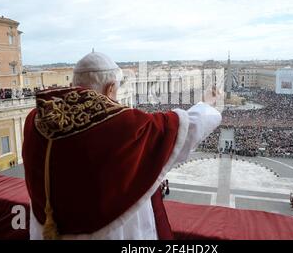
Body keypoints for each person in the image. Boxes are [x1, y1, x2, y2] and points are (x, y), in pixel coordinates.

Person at [22, 51, 222, 240]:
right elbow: (180, 129)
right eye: (116, 90)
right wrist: (205, 104)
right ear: (110, 88)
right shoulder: (121, 125)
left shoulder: (37, 119)